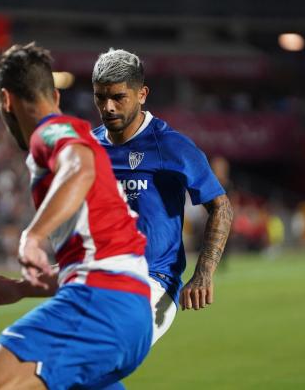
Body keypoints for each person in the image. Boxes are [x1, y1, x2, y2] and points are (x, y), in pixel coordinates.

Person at [0, 43, 152, 390]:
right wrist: (21, 289)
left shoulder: (50, 132)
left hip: (100, 305)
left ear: (6, 100)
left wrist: (31, 237)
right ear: (55, 96)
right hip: (129, 311)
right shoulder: (76, 137)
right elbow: (97, 257)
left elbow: (79, 168)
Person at [91, 48, 234, 345]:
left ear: (142, 94)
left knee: (95, 352)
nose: (108, 107)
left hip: (153, 284)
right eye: (100, 97)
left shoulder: (171, 147)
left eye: (118, 97)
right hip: (97, 279)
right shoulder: (88, 148)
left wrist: (204, 273)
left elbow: (221, 206)